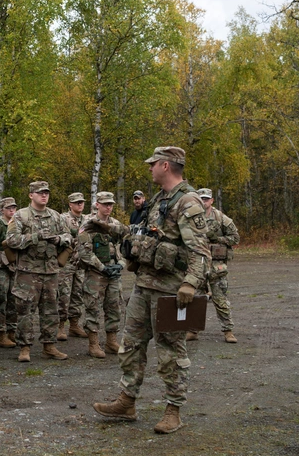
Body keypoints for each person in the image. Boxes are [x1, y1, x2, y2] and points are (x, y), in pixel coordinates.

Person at [93, 146, 210, 435]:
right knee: (130, 344)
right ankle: (127, 401)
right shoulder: (159, 200)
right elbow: (144, 237)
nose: (150, 168)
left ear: (167, 166)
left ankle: (173, 409)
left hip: (171, 291)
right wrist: (111, 229)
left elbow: (200, 250)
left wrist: (190, 283)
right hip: (144, 285)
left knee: (171, 351)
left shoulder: (188, 202)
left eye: (153, 164)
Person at [4, 182, 72, 363]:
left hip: (50, 270)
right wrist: (35, 237)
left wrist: (59, 239)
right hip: (28, 271)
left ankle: (49, 346)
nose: (44, 196)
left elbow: (69, 236)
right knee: (25, 310)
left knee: (50, 310)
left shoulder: (55, 216)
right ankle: (24, 347)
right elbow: (11, 240)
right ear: (31, 195)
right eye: (40, 193)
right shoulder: (21, 216)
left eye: (46, 193)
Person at [77, 191, 129, 359]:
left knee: (114, 306)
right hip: (96, 273)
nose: (108, 207)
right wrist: (102, 267)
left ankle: (111, 341)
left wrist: (120, 264)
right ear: (97, 204)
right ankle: (93, 343)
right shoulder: (89, 224)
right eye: (105, 204)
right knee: (92, 307)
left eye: (111, 204)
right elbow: (84, 252)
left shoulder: (115, 224)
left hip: (113, 272)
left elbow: (126, 239)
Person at [187, 188, 240, 344]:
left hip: (216, 266)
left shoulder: (221, 218)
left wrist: (216, 239)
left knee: (220, 298)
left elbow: (235, 238)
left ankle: (228, 331)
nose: (203, 202)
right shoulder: (191, 217)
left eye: (206, 199)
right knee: (195, 298)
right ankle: (193, 330)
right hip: (198, 264)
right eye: (201, 199)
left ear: (211, 201)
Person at [0, 196, 19, 348]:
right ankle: (1, 333)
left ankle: (12, 330)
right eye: (9, 208)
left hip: (15, 265)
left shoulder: (18, 224)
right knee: (0, 298)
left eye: (14, 208)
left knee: (14, 299)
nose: (12, 210)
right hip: (1, 265)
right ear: (2, 210)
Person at [58, 192, 88, 340]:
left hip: (81, 262)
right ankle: (60, 325)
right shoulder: (63, 218)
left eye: (81, 202)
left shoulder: (87, 219)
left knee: (78, 293)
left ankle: (74, 324)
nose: (80, 205)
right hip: (67, 262)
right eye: (76, 202)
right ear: (70, 204)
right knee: (64, 294)